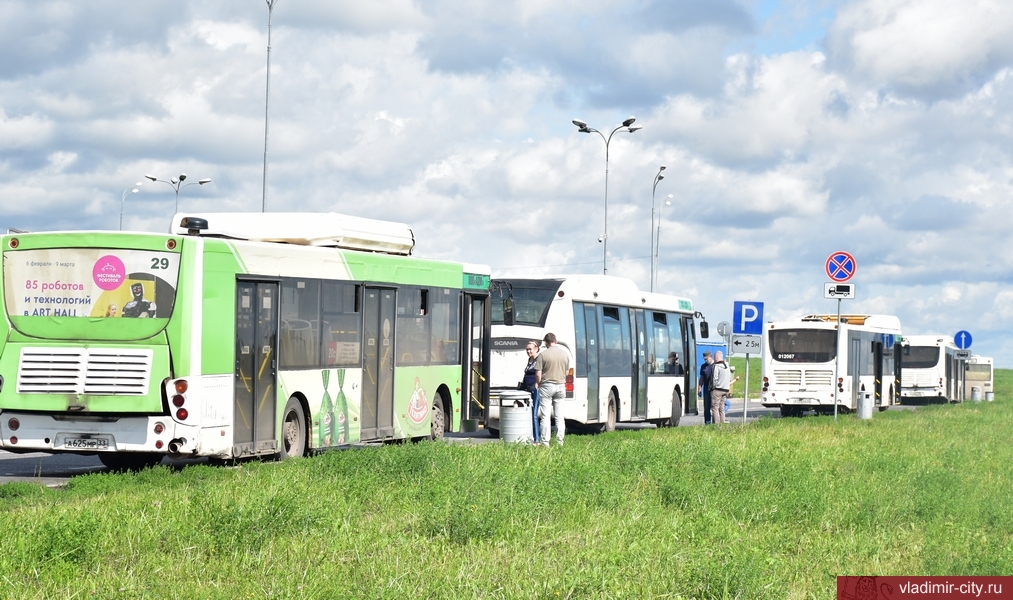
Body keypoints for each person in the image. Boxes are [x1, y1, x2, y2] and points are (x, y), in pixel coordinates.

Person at [535, 332, 569, 447]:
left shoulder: (543, 355)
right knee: (559, 415)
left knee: (545, 416)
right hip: (560, 385)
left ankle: (545, 442)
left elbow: (538, 373)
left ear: (546, 342)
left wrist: (539, 384)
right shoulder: (565, 354)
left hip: (546, 386)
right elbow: (567, 372)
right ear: (556, 341)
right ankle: (560, 442)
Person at [521, 340, 541, 444]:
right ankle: (531, 436)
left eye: (530, 349)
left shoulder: (539, 359)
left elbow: (540, 374)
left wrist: (537, 384)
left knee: (534, 414)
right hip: (527, 390)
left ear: (536, 348)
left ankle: (537, 439)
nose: (528, 351)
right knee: (528, 414)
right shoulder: (530, 360)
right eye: (527, 349)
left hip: (536, 390)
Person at [710, 351, 731, 424]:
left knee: (715, 408)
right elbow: (729, 378)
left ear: (716, 357)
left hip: (717, 390)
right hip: (726, 389)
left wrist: (712, 388)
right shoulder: (727, 366)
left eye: (714, 357)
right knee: (721, 408)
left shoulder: (716, 366)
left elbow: (715, 379)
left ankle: (716, 424)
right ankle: (722, 423)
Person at [697, 351, 714, 424]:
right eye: (704, 359)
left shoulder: (715, 365)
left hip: (714, 389)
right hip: (706, 388)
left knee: (714, 407)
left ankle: (715, 422)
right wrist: (699, 387)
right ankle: (707, 422)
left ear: (710, 356)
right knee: (706, 407)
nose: (705, 360)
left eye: (706, 359)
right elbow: (702, 377)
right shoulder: (703, 366)